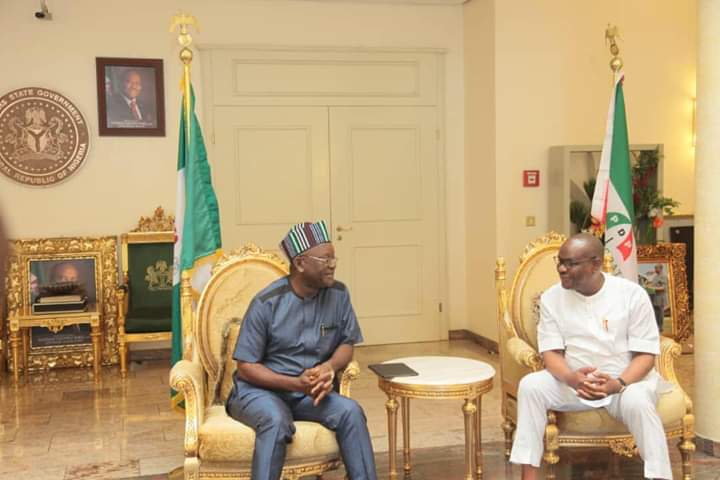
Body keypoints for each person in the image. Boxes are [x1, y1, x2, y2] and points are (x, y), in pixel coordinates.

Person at [509, 233, 672, 480]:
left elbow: (645, 355)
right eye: (560, 262)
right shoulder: (551, 297)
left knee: (639, 400)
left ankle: (659, 476)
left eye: (571, 264)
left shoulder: (631, 295)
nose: (562, 269)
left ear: (596, 264)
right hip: (575, 383)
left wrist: (617, 384)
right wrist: (572, 378)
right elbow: (551, 352)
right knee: (531, 386)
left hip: (624, 384)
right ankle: (528, 476)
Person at [226, 221, 377, 480]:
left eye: (333, 258)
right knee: (275, 421)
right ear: (300, 263)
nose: (332, 265)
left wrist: (329, 367)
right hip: (259, 392)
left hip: (310, 394)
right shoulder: (266, 303)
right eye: (325, 259)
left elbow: (347, 343)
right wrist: (296, 384)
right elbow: (246, 367)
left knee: (351, 412)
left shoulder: (339, 294)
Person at [646, 264, 668, 331]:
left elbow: (663, 288)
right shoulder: (655, 276)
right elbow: (652, 284)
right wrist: (648, 286)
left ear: (661, 268)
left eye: (656, 268)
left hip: (660, 297)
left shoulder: (663, 276)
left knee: (660, 313)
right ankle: (656, 326)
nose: (655, 269)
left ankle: (660, 327)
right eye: (655, 268)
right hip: (655, 297)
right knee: (656, 313)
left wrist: (653, 288)